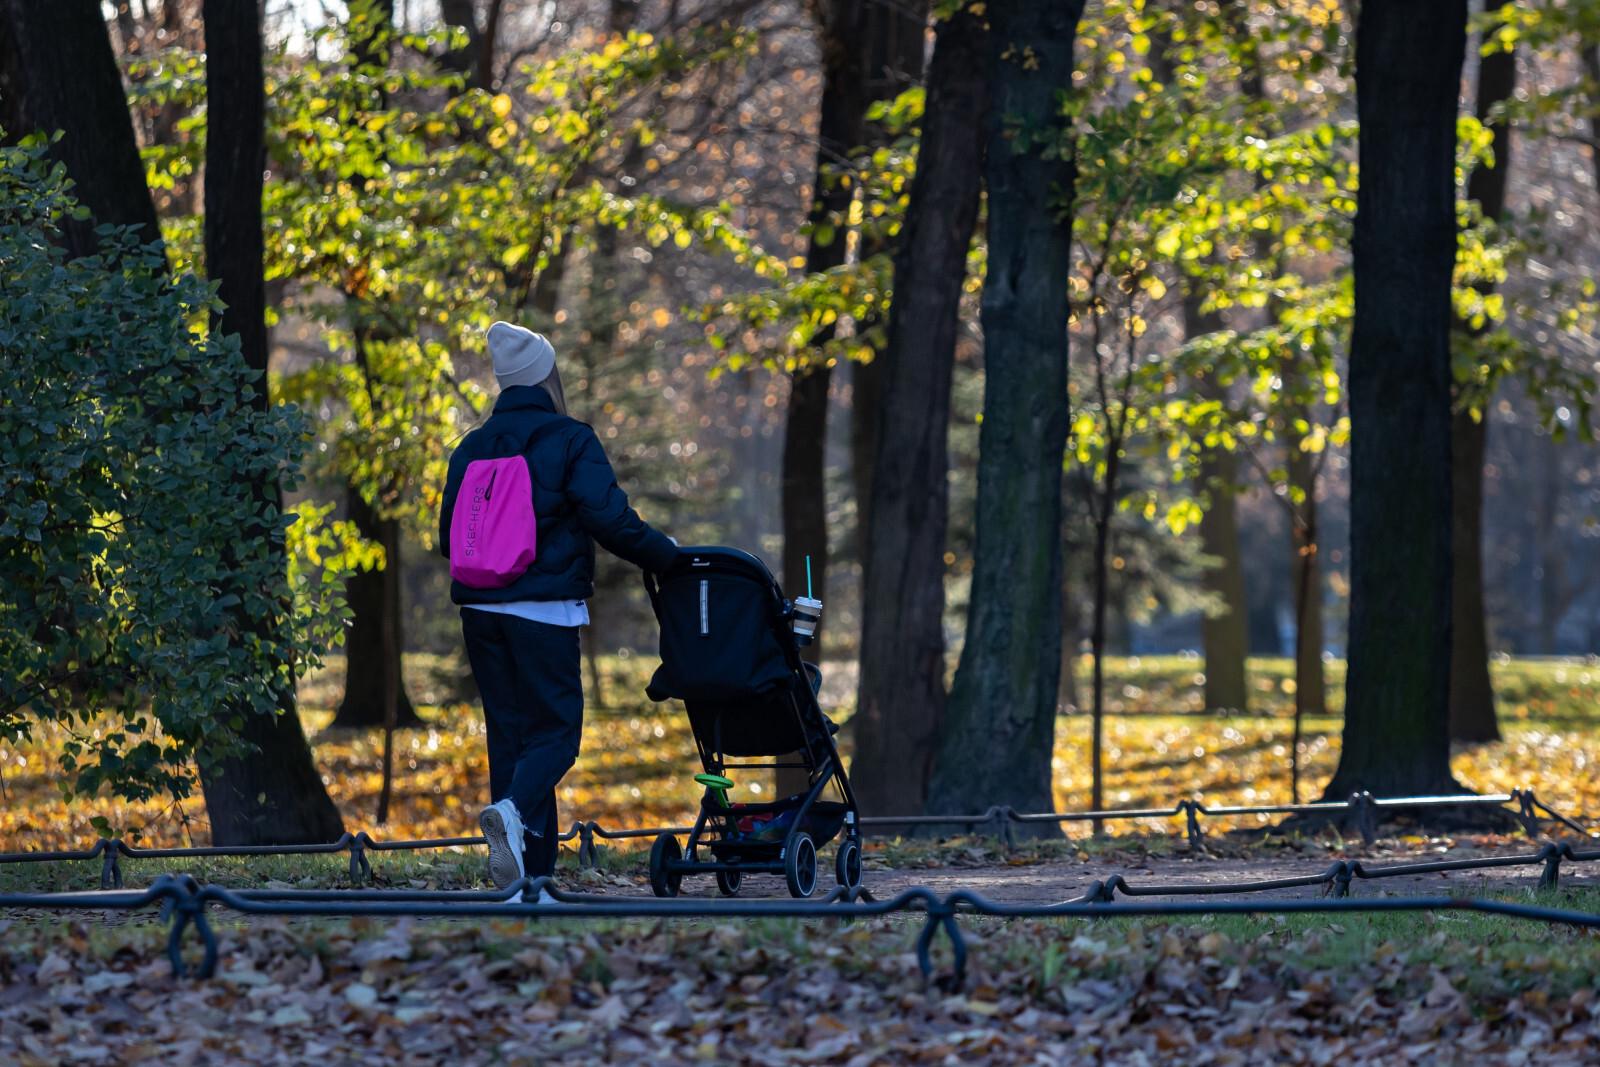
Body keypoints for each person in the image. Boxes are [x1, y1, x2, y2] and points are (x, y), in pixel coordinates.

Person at [439, 321, 678, 901]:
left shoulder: (470, 446)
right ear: (547, 377)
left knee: (512, 740)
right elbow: (609, 518)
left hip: (479, 608)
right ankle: (514, 815)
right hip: (542, 610)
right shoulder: (570, 438)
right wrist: (667, 556)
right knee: (557, 736)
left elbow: (448, 535)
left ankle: (530, 883)